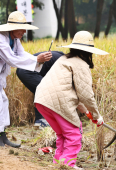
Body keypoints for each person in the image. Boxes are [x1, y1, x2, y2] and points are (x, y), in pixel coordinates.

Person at [34, 31, 109, 169]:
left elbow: (72, 93)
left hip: (41, 100)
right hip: (58, 101)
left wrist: (88, 113)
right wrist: (97, 116)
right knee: (74, 134)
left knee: (63, 133)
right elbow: (86, 95)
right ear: (89, 51)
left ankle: (59, 162)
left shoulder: (63, 59)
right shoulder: (81, 64)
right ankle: (67, 165)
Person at [0, 11, 52, 148]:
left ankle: (2, 137)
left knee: (3, 104)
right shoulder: (1, 39)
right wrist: (36, 59)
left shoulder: (15, 40)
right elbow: (11, 59)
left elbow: (22, 55)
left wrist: (38, 59)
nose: (24, 31)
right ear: (13, 28)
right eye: (22, 29)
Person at [16, 51, 64, 128]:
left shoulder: (60, 57)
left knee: (40, 91)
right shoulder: (65, 62)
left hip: (21, 70)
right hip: (27, 71)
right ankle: (46, 120)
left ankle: (40, 121)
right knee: (49, 89)